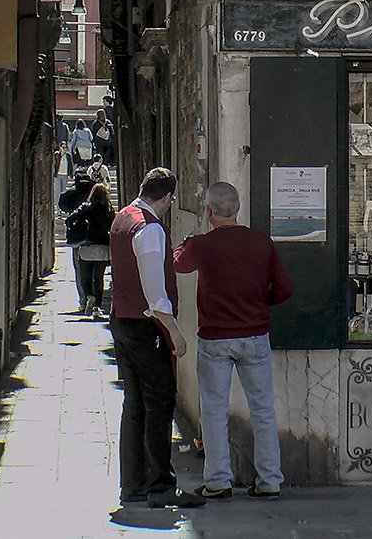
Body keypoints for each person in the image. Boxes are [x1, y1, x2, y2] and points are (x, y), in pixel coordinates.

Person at [173, 181, 293, 500]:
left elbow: (177, 262)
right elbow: (284, 289)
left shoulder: (203, 244)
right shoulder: (261, 242)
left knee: (213, 410)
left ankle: (218, 480)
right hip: (255, 336)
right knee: (263, 409)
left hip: (215, 339)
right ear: (237, 209)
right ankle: (269, 480)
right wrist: (257, 303)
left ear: (209, 211)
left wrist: (187, 241)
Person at [108, 167, 205, 508]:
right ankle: (161, 484)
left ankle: (133, 483)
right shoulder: (150, 230)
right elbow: (155, 293)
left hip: (121, 319)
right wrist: (175, 332)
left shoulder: (122, 218)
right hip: (145, 326)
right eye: (170, 200)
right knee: (160, 402)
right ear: (166, 198)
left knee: (134, 404)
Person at [66, 183, 113, 317]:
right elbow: (112, 226)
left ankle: (88, 297)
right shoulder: (109, 209)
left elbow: (71, 218)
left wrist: (75, 230)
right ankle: (97, 307)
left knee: (85, 278)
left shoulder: (86, 207)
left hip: (87, 247)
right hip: (103, 249)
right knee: (98, 279)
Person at [54, 141, 72, 211]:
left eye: (66, 148)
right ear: (60, 148)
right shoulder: (57, 155)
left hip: (65, 175)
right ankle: (58, 209)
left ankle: (62, 208)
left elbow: (70, 165)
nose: (65, 149)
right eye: (63, 147)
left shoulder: (68, 156)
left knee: (63, 191)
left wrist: (71, 174)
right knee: (58, 191)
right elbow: (54, 164)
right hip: (58, 175)